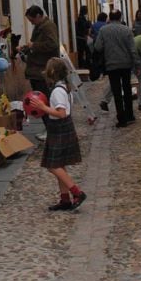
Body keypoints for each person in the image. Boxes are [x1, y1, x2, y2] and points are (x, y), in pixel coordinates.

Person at [28, 58, 87, 211]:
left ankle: (77, 192)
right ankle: (65, 199)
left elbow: (61, 113)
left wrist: (42, 107)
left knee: (53, 165)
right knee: (59, 165)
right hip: (61, 129)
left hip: (60, 127)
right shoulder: (63, 88)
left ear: (52, 72)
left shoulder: (58, 91)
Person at [94, 10, 140, 127]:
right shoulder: (127, 30)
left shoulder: (103, 30)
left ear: (110, 17)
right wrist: (137, 64)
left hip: (111, 65)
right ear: (120, 17)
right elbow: (133, 49)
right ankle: (130, 115)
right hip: (126, 64)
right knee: (127, 89)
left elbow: (98, 47)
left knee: (116, 92)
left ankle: (121, 119)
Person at [22, 5, 60, 102]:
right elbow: (35, 44)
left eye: (32, 20)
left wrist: (34, 45)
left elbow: (52, 44)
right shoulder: (39, 26)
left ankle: (47, 116)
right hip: (37, 70)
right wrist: (25, 48)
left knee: (44, 99)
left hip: (43, 71)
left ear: (38, 16)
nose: (32, 23)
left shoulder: (48, 26)